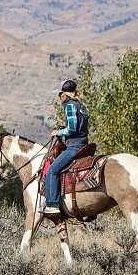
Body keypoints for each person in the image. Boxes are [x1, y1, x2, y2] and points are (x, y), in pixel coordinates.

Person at [41, 79, 89, 216]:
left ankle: (52, 205)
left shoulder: (69, 105)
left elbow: (72, 129)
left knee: (52, 170)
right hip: (84, 143)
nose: (60, 98)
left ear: (64, 94)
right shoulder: (81, 105)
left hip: (74, 146)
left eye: (61, 95)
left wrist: (59, 132)